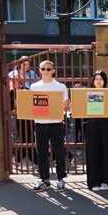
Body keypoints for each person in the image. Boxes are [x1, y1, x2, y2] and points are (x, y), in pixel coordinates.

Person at [29, 60, 70, 191]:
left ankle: (61, 179)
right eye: (43, 69)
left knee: (58, 151)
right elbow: (31, 106)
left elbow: (66, 107)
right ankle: (44, 179)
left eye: (48, 69)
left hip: (56, 123)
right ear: (39, 70)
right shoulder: (34, 87)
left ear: (53, 71)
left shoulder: (60, 87)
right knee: (41, 153)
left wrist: (67, 105)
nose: (45, 71)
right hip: (40, 123)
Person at [83, 70, 108, 191]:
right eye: (96, 79)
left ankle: (107, 180)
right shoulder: (86, 93)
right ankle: (94, 181)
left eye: (101, 79)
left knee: (107, 152)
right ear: (93, 81)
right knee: (93, 152)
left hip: (106, 125)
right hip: (92, 125)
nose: (98, 81)